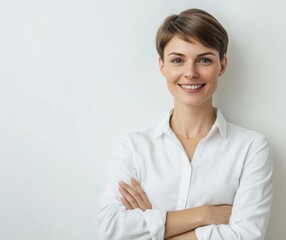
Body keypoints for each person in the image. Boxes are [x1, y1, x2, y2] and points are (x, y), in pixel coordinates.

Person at [97, 8, 273, 240]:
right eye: (178, 60)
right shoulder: (132, 147)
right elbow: (109, 231)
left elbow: (247, 236)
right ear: (162, 66)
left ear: (222, 65)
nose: (190, 73)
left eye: (204, 60)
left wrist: (152, 226)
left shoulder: (251, 147)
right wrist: (206, 214)